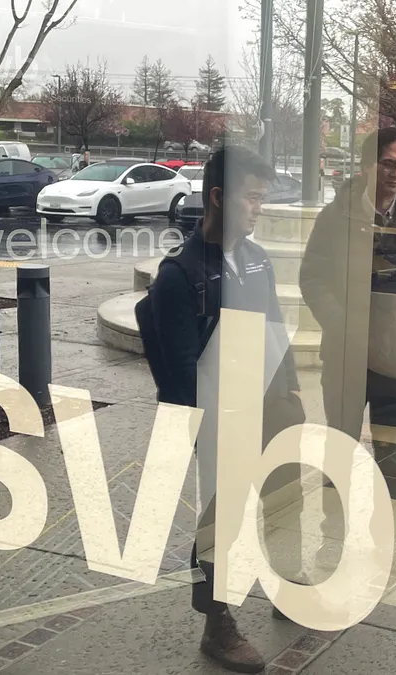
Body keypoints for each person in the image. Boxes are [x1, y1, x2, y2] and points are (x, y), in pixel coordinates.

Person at [144, 146, 303, 674]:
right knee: (223, 518)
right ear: (218, 197)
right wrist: (204, 433)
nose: (259, 208)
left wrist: (291, 393)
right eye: (251, 198)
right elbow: (179, 370)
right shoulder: (180, 275)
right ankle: (217, 621)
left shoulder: (255, 259)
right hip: (218, 416)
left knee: (281, 499)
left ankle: (282, 582)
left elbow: (275, 328)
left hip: (264, 403)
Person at [300, 127, 396, 491]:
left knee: (390, 456)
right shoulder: (335, 217)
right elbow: (312, 277)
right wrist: (341, 324)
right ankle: (333, 537)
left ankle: (384, 537)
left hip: (394, 356)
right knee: (340, 451)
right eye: (388, 165)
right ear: (367, 165)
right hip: (344, 353)